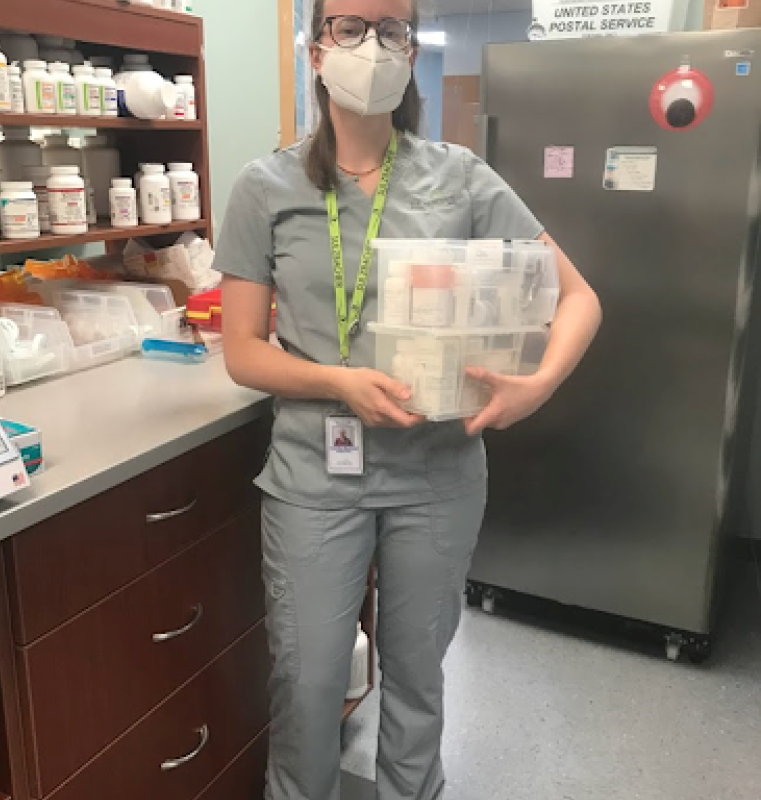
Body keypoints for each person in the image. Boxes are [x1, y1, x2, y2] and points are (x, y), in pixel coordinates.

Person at [216, 1, 602, 798]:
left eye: (393, 29)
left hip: (438, 475)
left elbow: (579, 298)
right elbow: (244, 352)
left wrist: (539, 385)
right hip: (316, 478)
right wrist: (337, 381)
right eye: (353, 26)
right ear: (317, 48)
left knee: (418, 682)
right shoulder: (266, 187)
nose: (374, 46)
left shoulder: (458, 175)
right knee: (310, 684)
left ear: (411, 47)